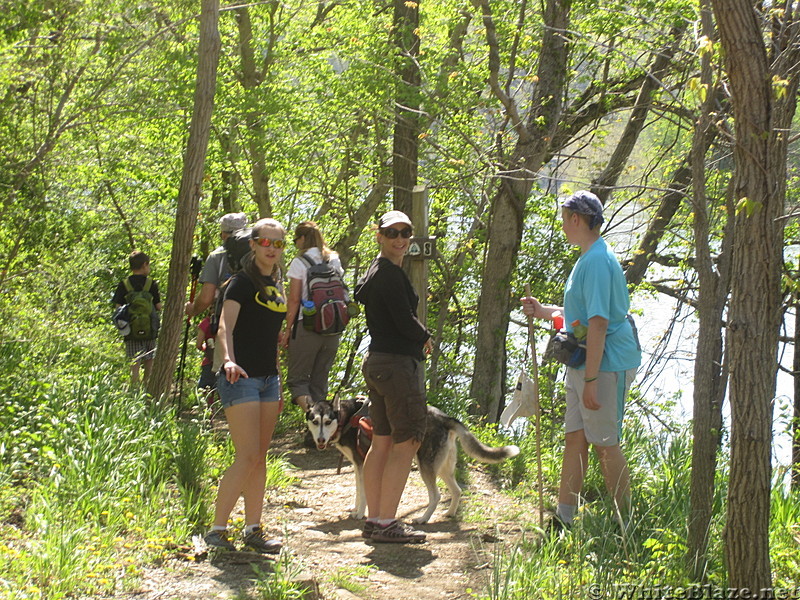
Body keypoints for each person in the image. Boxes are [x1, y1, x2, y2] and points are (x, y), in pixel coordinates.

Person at [520, 190, 641, 531]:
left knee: (605, 444)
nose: (562, 225)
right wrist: (545, 312)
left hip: (604, 365)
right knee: (575, 438)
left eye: (563, 219)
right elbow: (581, 317)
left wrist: (590, 380)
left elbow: (600, 323)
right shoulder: (587, 257)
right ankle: (565, 518)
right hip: (584, 362)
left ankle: (625, 525)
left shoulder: (599, 262)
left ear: (576, 219)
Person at [203, 218, 288, 553]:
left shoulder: (276, 284)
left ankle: (254, 529)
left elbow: (270, 338)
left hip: (269, 380)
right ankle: (217, 529)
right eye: (265, 242)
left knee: (260, 457)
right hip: (240, 378)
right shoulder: (239, 283)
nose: (271, 249)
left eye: (278, 244)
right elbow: (224, 327)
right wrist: (227, 360)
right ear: (252, 244)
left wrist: (278, 377)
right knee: (247, 455)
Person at [353, 210, 433, 544]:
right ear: (380, 236)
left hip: (378, 363)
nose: (400, 239)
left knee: (383, 440)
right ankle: (386, 522)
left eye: (405, 233)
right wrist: (425, 337)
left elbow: (364, 298)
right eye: (392, 233)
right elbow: (403, 320)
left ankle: (375, 519)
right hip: (397, 365)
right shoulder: (389, 275)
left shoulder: (375, 271)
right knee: (409, 440)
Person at [279, 221, 344, 411]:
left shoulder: (300, 262)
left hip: (307, 327)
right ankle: (321, 429)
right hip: (333, 328)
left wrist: (288, 329)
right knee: (319, 384)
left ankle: (315, 418)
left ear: (301, 239)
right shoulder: (333, 259)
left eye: (295, 240)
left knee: (297, 381)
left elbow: (294, 299)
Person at [184, 212, 248, 319]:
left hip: (226, 319)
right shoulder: (260, 251)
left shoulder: (217, 255)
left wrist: (193, 309)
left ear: (223, 234)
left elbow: (206, 298)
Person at [112, 251, 162, 385]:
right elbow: (158, 307)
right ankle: (147, 385)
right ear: (144, 265)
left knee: (134, 360)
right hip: (150, 329)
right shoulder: (151, 284)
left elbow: (118, 308)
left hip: (131, 331)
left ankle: (134, 387)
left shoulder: (124, 284)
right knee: (149, 358)